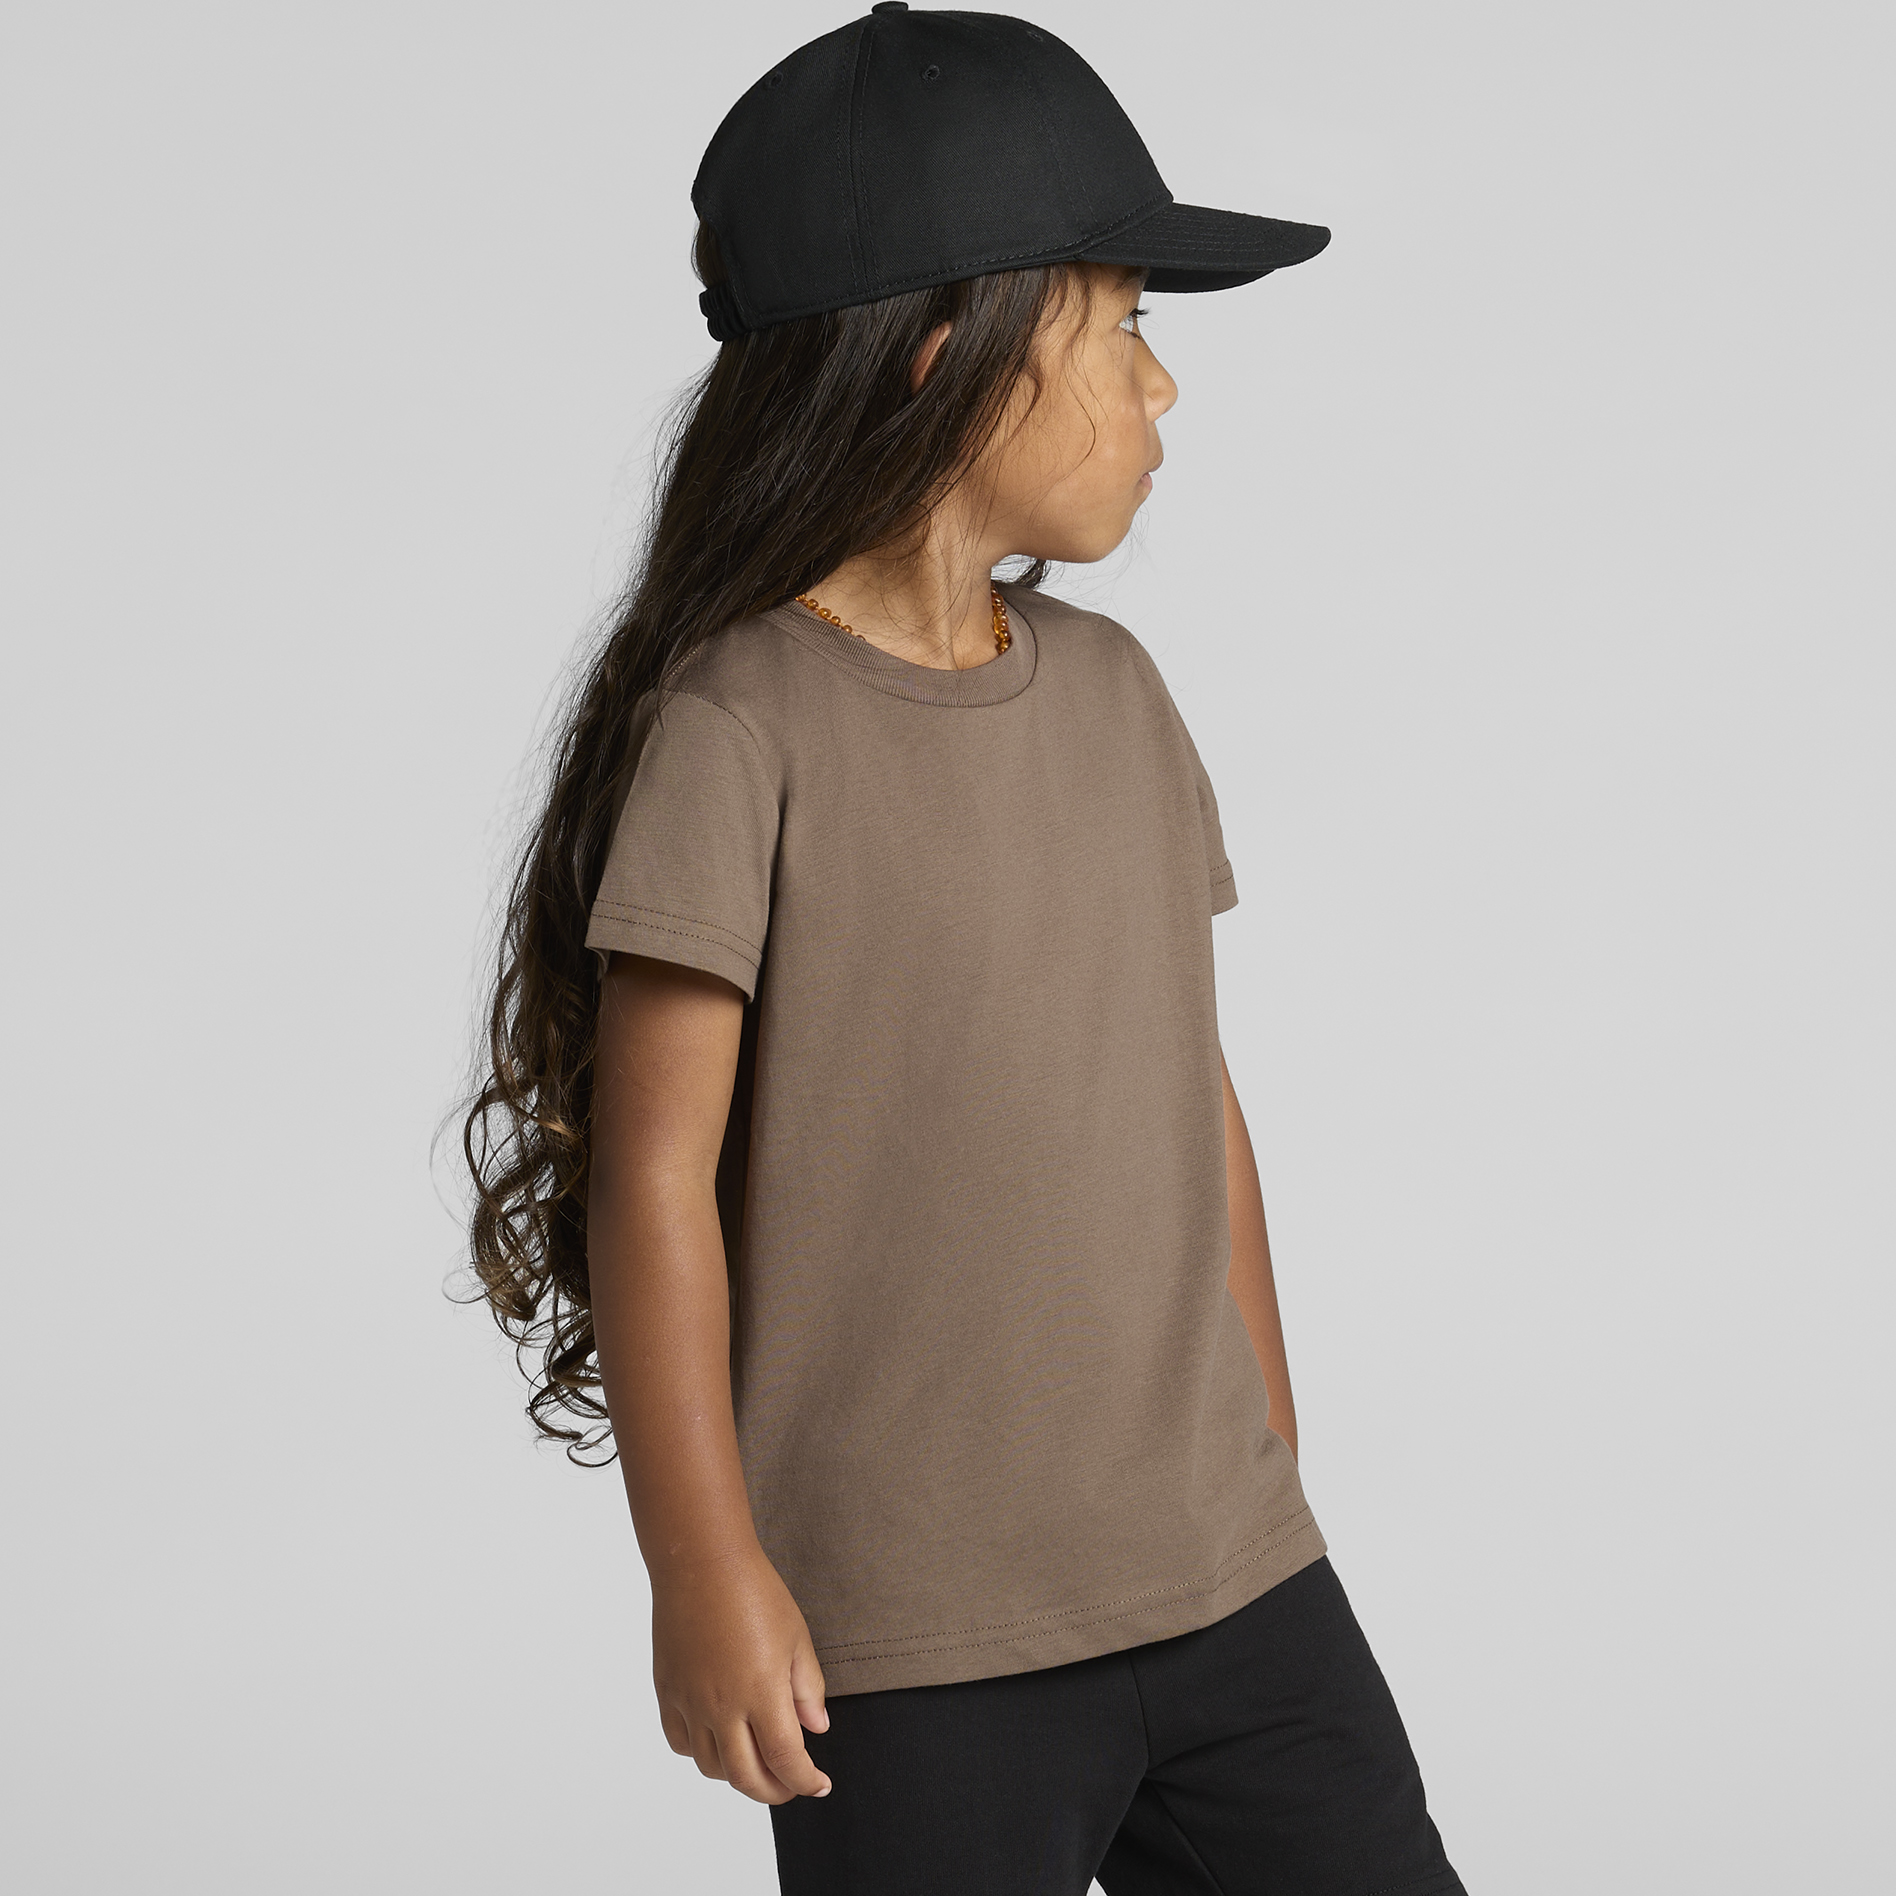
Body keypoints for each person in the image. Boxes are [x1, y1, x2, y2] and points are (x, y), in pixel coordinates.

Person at [464, 8, 1467, 1893]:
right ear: (953, 356)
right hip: (914, 1649)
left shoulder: (1118, 693)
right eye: (1127, 326)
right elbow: (657, 1179)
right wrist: (703, 1567)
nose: (1165, 388)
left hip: (1232, 1585)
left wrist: (1267, 1442)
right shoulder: (741, 729)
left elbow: (1190, 1093)